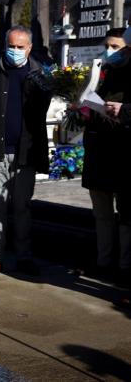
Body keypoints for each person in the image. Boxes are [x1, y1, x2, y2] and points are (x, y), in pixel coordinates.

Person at [0, 25, 52, 277]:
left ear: (29, 48)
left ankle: (24, 256)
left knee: (22, 208)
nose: (15, 51)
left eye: (20, 47)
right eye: (11, 46)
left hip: (25, 153)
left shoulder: (40, 74)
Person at [82, 28, 131, 285]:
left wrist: (119, 113)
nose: (110, 50)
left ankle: (124, 266)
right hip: (98, 152)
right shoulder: (100, 72)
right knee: (101, 213)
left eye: (117, 46)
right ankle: (104, 261)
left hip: (122, 154)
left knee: (125, 214)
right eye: (108, 45)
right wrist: (80, 108)